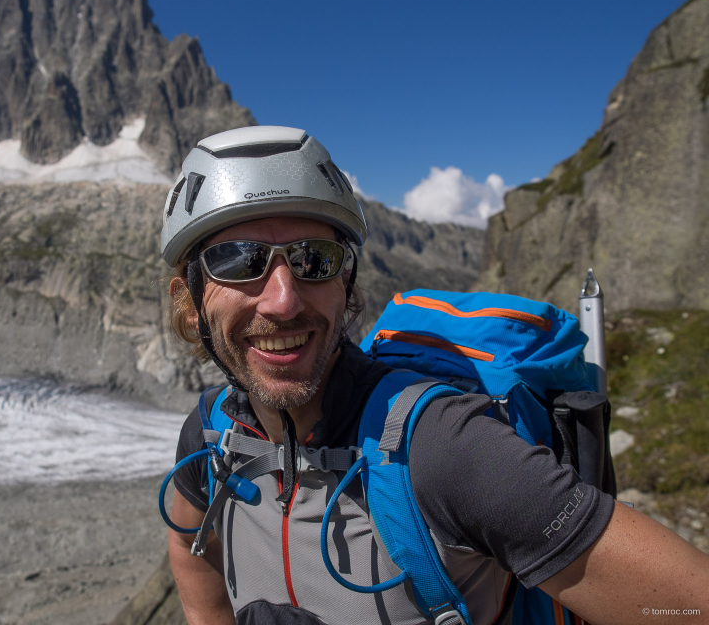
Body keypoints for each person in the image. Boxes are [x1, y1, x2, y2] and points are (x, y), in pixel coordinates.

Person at [160, 126, 709, 625]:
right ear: (189, 300)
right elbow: (193, 558)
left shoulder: (443, 446)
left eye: (314, 259)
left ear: (345, 285)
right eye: (237, 260)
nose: (283, 300)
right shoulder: (209, 438)